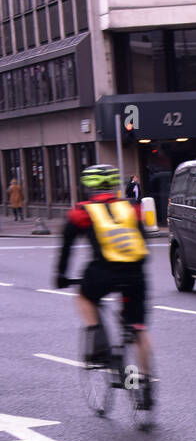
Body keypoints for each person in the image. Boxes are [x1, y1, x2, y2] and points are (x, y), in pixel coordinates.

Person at [54, 162, 154, 410]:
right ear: (114, 184)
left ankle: (97, 340)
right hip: (135, 272)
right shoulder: (131, 207)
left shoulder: (81, 212)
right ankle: (144, 384)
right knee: (137, 328)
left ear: (87, 186)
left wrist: (61, 275)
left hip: (102, 272)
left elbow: (66, 248)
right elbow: (141, 239)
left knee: (84, 295)